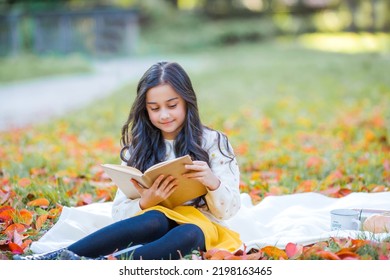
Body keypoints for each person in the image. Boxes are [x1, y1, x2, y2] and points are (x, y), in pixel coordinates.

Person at [14, 61, 242, 260]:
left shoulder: (213, 142)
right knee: (154, 219)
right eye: (154, 108)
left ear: (187, 102)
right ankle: (56, 258)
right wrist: (146, 202)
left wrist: (213, 183)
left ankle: (105, 265)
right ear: (145, 110)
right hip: (158, 221)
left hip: (202, 225)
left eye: (172, 106)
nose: (164, 115)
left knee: (189, 232)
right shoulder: (139, 148)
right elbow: (119, 213)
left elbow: (229, 210)